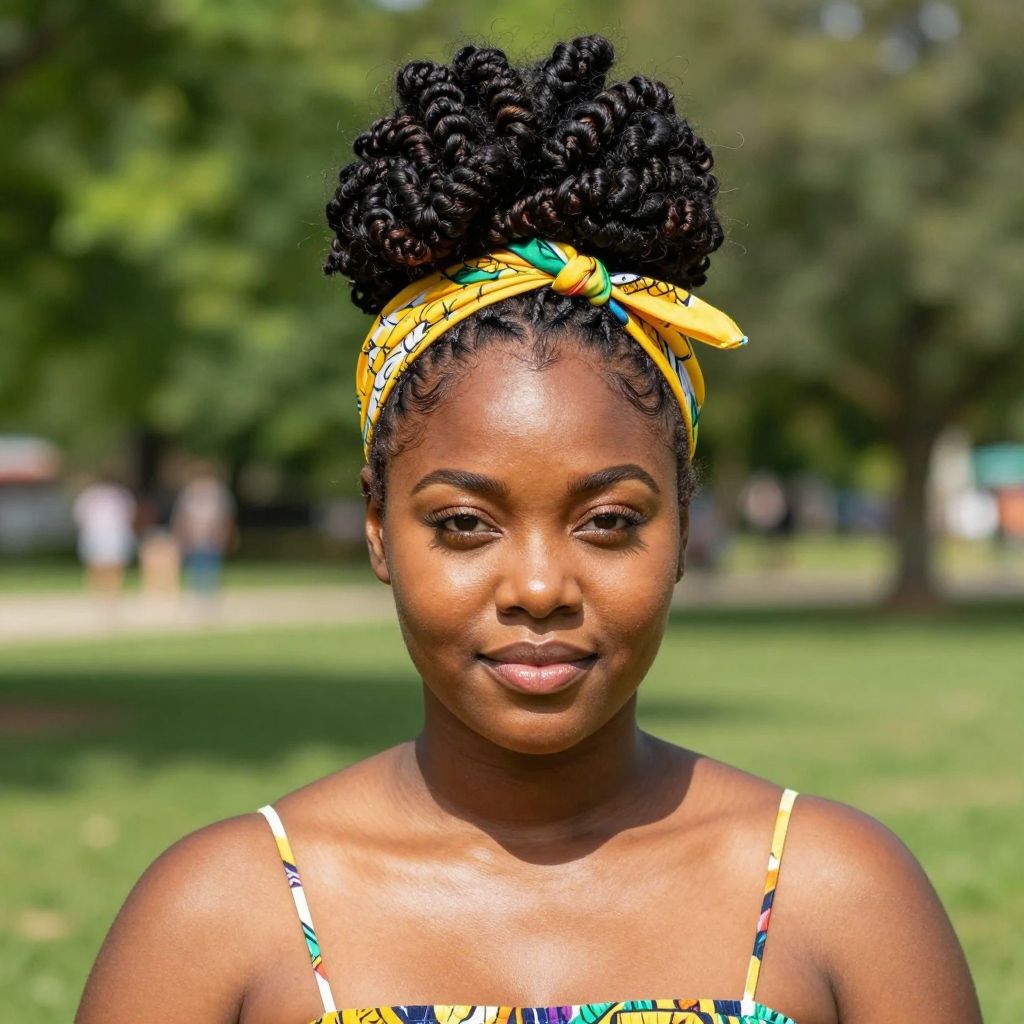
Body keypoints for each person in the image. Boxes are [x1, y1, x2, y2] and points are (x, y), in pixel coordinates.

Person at [76, 36, 980, 1024]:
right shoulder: (223, 916)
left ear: (684, 527)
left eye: (609, 522)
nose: (540, 588)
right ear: (378, 528)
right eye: (465, 523)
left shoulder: (837, 897)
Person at [171, 469, 236, 595]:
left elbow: (226, 515)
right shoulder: (189, 492)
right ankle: (198, 589)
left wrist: (225, 533)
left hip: (213, 535)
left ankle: (210, 590)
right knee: (195, 562)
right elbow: (182, 516)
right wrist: (181, 533)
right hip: (194, 535)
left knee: (212, 562)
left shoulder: (219, 493)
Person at [71, 476, 136, 594]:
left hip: (112, 531)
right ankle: (98, 591)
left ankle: (111, 591)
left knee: (114, 563)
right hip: (98, 531)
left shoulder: (118, 494)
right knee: (96, 563)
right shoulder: (92, 494)